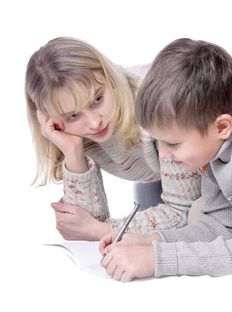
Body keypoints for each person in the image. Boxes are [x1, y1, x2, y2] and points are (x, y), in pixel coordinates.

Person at [25, 36, 201, 241]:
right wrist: (73, 153)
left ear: (110, 77)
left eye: (97, 99)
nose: (93, 123)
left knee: (197, 216)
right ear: (52, 119)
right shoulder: (72, 132)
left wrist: (101, 230)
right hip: (158, 175)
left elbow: (181, 212)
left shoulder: (157, 106)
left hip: (216, 165)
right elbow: (84, 224)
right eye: (73, 115)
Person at [100, 38, 232, 282]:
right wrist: (153, 240)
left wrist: (157, 259)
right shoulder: (214, 154)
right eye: (158, 142)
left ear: (222, 126)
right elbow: (222, 226)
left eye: (173, 143)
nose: (164, 155)